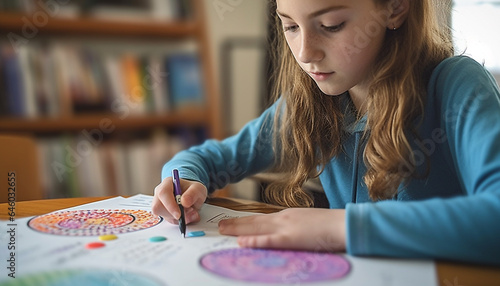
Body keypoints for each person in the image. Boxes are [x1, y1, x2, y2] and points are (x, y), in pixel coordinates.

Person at [152, 0, 500, 265]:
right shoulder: (310, 103)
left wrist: (338, 227)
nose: (306, 53)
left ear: (395, 9)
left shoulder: (456, 85)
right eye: (289, 26)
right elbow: (207, 158)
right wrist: (182, 181)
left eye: (331, 25)